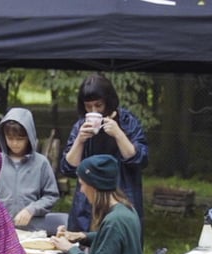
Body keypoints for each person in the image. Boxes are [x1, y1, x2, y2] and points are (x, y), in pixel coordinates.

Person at [60, 74, 149, 237]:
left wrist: (118, 134)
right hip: (87, 202)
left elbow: (140, 160)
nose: (94, 111)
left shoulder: (128, 122)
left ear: (108, 101)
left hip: (122, 194)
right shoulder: (81, 126)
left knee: (120, 242)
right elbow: (68, 168)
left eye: (98, 105)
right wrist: (79, 140)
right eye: (88, 107)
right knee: (83, 246)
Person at [0, 107, 59, 231]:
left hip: (32, 230)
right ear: (3, 136)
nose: (14, 143)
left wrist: (32, 210)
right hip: (1, 230)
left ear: (29, 137)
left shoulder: (41, 163)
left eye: (20, 139)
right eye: (10, 138)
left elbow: (51, 196)